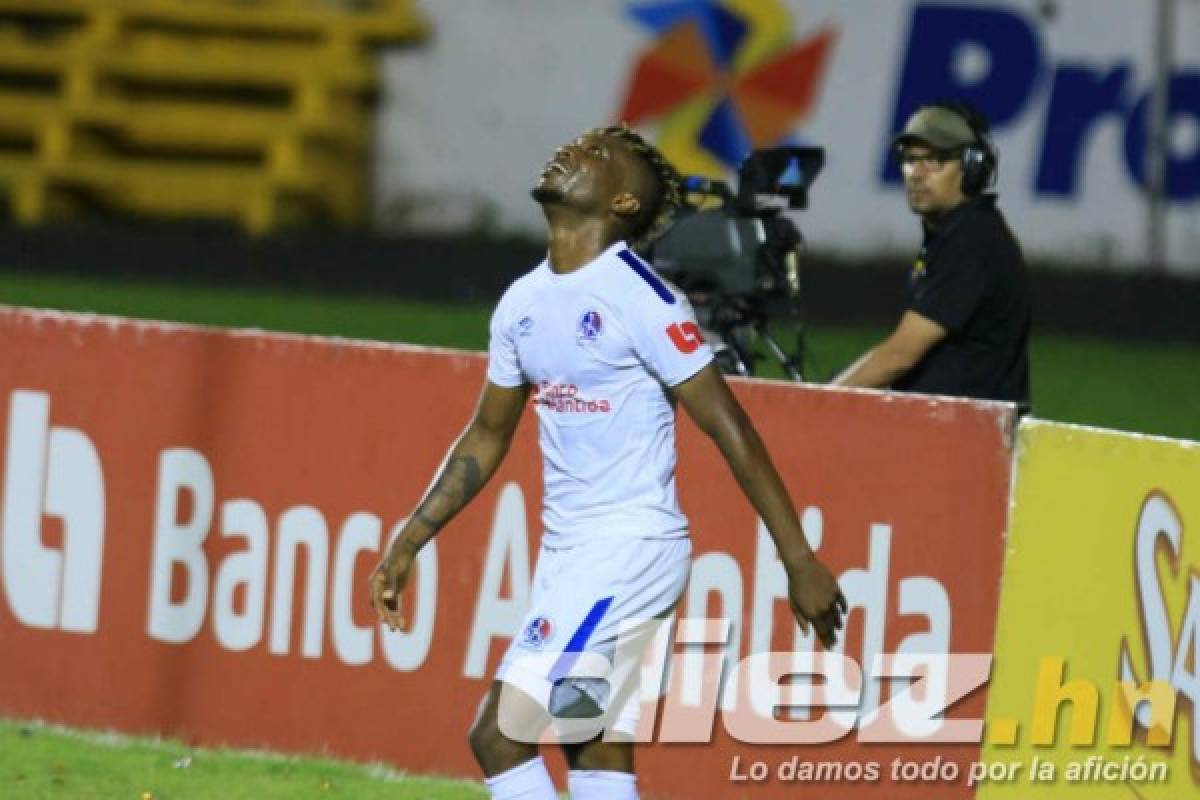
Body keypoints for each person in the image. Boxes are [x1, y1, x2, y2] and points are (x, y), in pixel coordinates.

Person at [368, 125, 846, 800]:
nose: (568, 151)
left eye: (594, 155)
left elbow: (729, 426)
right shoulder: (521, 305)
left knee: (499, 733)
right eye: (575, 145)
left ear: (622, 203)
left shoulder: (641, 299)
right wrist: (409, 539)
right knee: (590, 736)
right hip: (570, 553)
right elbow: (485, 436)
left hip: (629, 548)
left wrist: (798, 558)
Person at [833, 101, 1031, 409]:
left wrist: (819, 401)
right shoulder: (958, 233)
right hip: (955, 430)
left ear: (972, 167)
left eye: (935, 160)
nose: (917, 173)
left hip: (966, 440)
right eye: (911, 160)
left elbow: (900, 356)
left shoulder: (971, 242)